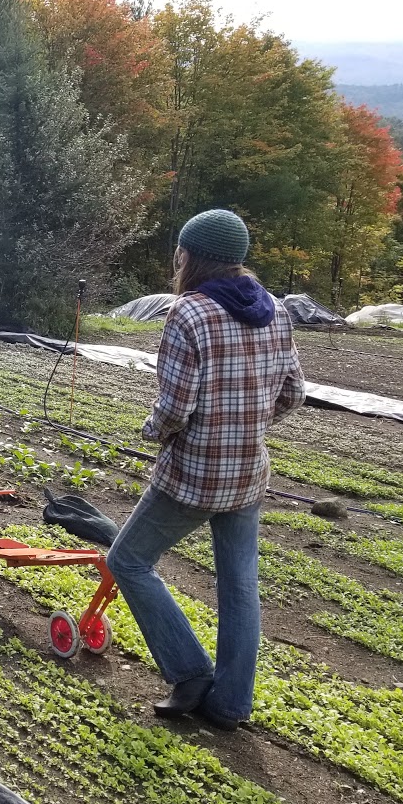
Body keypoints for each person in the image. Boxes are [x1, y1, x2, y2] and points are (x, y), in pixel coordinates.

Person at [106, 209, 305, 732]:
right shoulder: (277, 310)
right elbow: (293, 393)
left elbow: (174, 409)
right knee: (240, 589)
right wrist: (249, 425)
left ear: (193, 256)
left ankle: (189, 671)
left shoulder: (188, 313)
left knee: (128, 561)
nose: (178, 258)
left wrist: (153, 431)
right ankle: (232, 705)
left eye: (181, 250)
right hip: (248, 475)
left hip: (194, 476)